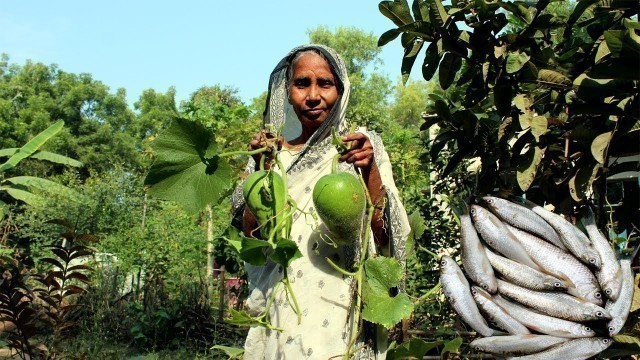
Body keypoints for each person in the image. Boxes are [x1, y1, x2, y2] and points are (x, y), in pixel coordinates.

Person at [232, 44, 410, 359]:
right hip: (284, 308)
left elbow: (386, 236)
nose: (313, 95)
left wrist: (368, 170)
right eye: (302, 83)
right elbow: (253, 240)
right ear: (287, 92)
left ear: (340, 91)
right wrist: (262, 170)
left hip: (342, 311)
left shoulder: (362, 149)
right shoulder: (269, 154)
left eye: (324, 84)